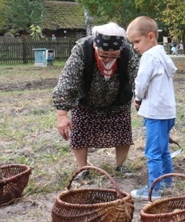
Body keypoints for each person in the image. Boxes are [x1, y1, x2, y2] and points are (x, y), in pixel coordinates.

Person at [53, 22, 138, 178]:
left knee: (123, 132)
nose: (107, 59)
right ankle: (83, 169)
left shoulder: (127, 52)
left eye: (113, 56)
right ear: (95, 47)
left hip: (118, 100)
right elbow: (68, 80)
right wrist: (62, 114)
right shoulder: (82, 49)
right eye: (103, 54)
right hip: (86, 99)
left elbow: (138, 78)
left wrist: (141, 99)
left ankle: (120, 166)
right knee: (79, 132)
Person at [127, 16, 177, 200]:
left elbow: (141, 82)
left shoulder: (148, 56)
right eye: (132, 43)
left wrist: (138, 97)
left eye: (137, 41)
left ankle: (153, 189)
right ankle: (167, 182)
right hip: (168, 112)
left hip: (156, 112)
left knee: (153, 152)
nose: (134, 46)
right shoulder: (162, 55)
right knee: (163, 149)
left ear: (151, 36)